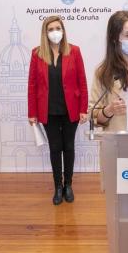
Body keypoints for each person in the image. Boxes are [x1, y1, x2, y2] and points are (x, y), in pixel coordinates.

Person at [28, 16, 88, 206]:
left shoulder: (74, 51)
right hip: (48, 110)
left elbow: (82, 81)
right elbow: (32, 85)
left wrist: (83, 108)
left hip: (71, 109)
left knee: (69, 147)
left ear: (63, 30)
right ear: (45, 32)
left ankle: (68, 185)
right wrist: (32, 112)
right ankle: (57, 187)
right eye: (51, 29)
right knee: (55, 149)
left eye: (58, 28)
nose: (55, 32)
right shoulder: (37, 53)